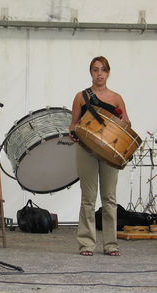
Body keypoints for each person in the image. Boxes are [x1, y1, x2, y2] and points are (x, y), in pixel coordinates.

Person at [69, 56, 130, 257]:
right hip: (86, 150)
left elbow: (126, 124)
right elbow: (73, 124)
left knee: (109, 198)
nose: (99, 73)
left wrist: (120, 124)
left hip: (110, 152)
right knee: (88, 198)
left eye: (103, 69)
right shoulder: (81, 96)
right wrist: (75, 133)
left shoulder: (116, 98)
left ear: (108, 72)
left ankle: (111, 244)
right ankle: (86, 244)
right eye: (95, 70)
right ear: (91, 73)